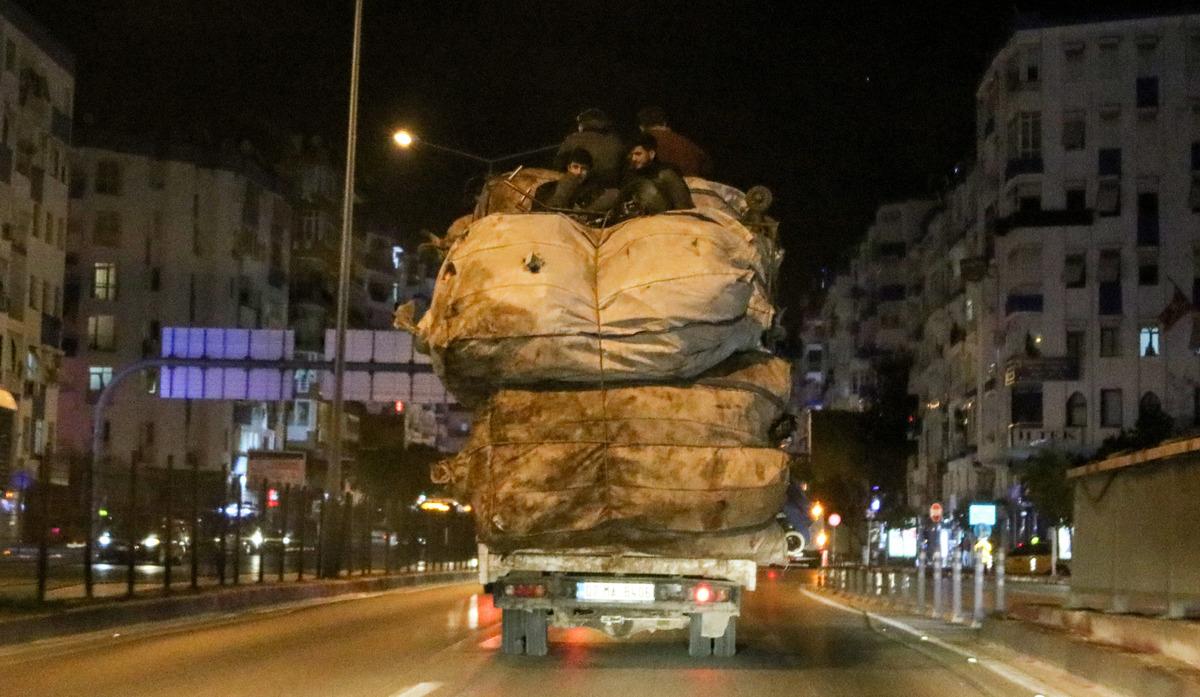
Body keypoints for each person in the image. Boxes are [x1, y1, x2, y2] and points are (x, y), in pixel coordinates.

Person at [618, 132, 694, 215]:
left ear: (651, 154)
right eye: (631, 155)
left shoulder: (667, 174)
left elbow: (684, 208)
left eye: (638, 154)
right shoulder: (630, 176)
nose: (633, 159)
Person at [554, 108, 625, 187]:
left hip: (583, 187)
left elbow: (558, 164)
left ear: (582, 124)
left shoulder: (574, 139)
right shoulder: (616, 141)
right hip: (611, 187)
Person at [636, 106, 712, 178]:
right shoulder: (687, 143)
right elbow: (707, 166)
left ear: (641, 127)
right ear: (664, 123)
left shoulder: (640, 144)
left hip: (660, 188)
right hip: (693, 188)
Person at [542, 148, 617, 215]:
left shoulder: (593, 189)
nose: (579, 172)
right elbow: (549, 210)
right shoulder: (551, 187)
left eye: (583, 168)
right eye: (575, 167)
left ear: (589, 171)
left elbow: (613, 194)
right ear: (569, 168)